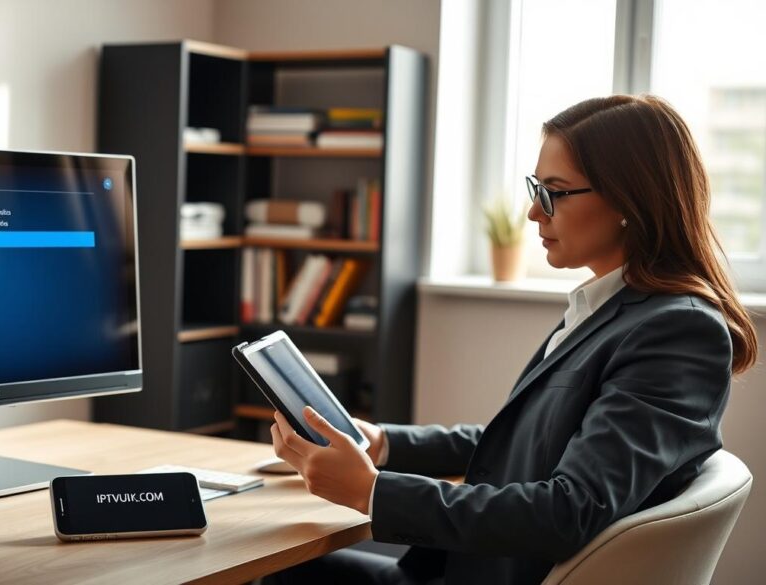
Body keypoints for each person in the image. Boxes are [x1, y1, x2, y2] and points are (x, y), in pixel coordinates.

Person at [264, 94, 759, 585]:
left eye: (554, 193)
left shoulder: (676, 333)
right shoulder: (610, 309)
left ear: (630, 200)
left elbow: (568, 511)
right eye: (535, 188)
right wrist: (385, 445)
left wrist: (371, 492)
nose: (532, 214)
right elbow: (525, 443)